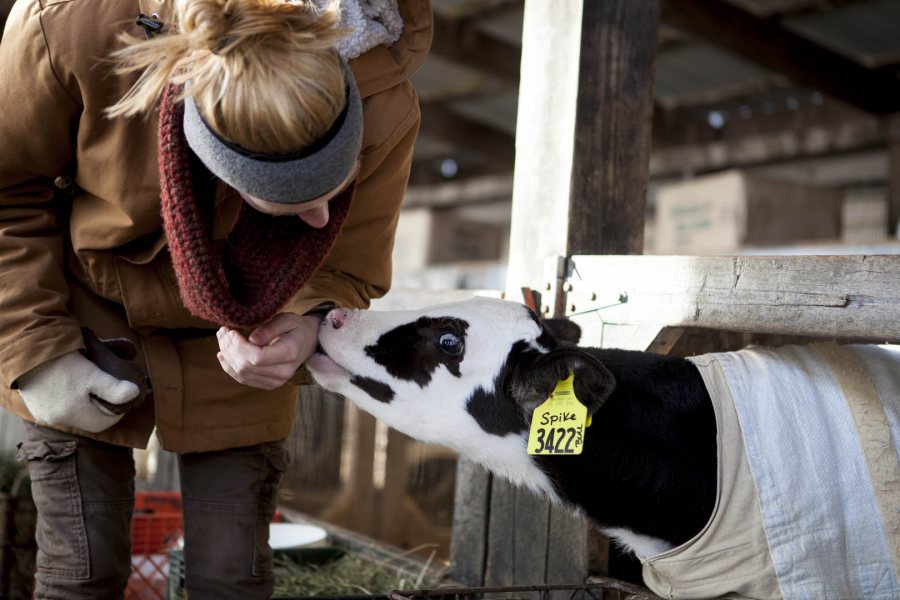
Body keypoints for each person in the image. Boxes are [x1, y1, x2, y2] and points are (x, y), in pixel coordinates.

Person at [0, 0, 431, 597]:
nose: (320, 217)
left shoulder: (386, 94)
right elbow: (8, 193)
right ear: (207, 152)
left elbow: (348, 262)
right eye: (285, 208)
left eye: (333, 190)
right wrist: (35, 346)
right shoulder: (67, 25)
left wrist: (306, 322)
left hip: (248, 324)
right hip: (80, 309)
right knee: (83, 571)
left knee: (231, 578)